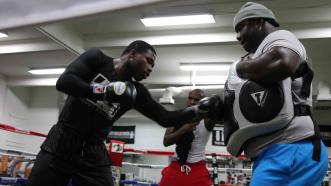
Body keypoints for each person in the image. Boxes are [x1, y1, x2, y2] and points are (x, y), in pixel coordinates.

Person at [27, 40, 223, 186]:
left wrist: (198, 110)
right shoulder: (97, 59)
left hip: (93, 153)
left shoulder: (136, 92)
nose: (150, 69)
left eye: (152, 66)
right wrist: (103, 90)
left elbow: (165, 118)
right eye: (148, 61)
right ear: (132, 53)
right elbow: (64, 82)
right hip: (61, 142)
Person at [223, 2, 328, 186]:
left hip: (289, 148)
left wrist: (239, 67)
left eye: (241, 28)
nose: (238, 36)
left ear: (258, 22)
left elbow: (284, 62)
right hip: (282, 151)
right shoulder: (260, 53)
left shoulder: (280, 37)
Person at [159, 89, 214, 186]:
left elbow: (221, 112)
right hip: (176, 165)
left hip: (197, 167)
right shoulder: (177, 117)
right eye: (190, 98)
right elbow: (166, 141)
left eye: (196, 99)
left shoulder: (207, 120)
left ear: (202, 102)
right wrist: (183, 129)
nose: (192, 102)